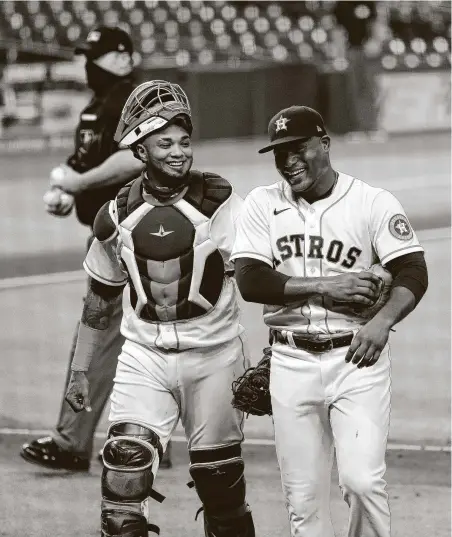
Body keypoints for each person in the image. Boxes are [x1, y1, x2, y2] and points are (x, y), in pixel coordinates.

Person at [64, 80, 256, 537]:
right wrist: (80, 368)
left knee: (219, 483)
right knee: (124, 470)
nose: (178, 152)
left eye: (184, 141)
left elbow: (257, 274)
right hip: (143, 357)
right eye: (164, 142)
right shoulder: (113, 216)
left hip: (215, 357)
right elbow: (100, 298)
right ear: (140, 149)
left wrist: (270, 356)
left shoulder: (221, 202)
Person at [231, 105, 428, 537]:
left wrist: (382, 323)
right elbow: (251, 280)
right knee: (303, 503)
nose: (288, 162)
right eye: (279, 153)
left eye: (298, 148)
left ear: (325, 143)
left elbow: (414, 270)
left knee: (362, 483)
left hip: (357, 358)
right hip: (289, 362)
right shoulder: (263, 204)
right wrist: (327, 286)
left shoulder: (371, 202)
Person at [20, 25, 172, 471]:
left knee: (99, 336)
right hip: (111, 235)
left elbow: (136, 156)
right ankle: (153, 439)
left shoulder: (137, 99)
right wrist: (70, 188)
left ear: (123, 58)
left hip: (136, 236)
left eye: (97, 55)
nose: (88, 64)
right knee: (145, 336)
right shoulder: (97, 107)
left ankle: (72, 442)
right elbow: (88, 163)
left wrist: (79, 183)